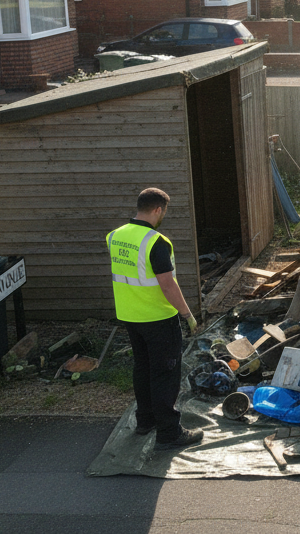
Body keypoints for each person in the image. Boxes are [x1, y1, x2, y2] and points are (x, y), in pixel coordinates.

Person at [107, 188, 203, 449]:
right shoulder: (156, 242)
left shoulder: (114, 236)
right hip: (158, 318)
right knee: (165, 373)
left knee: (143, 368)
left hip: (129, 315)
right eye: (165, 212)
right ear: (158, 210)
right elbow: (167, 284)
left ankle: (145, 420)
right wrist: (187, 314)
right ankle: (169, 432)